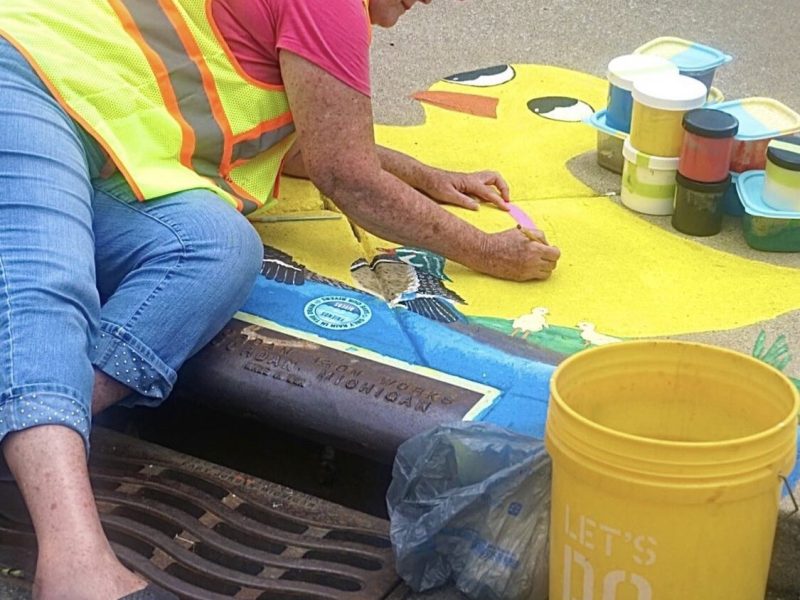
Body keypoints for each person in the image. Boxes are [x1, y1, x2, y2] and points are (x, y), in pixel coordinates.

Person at [0, 0, 561, 597]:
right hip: (25, 72)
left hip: (97, 135)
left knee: (219, 246)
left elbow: (302, 139)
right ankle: (75, 565)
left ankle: (42, 423)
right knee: (47, 282)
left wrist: (427, 176)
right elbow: (344, 174)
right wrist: (488, 252)